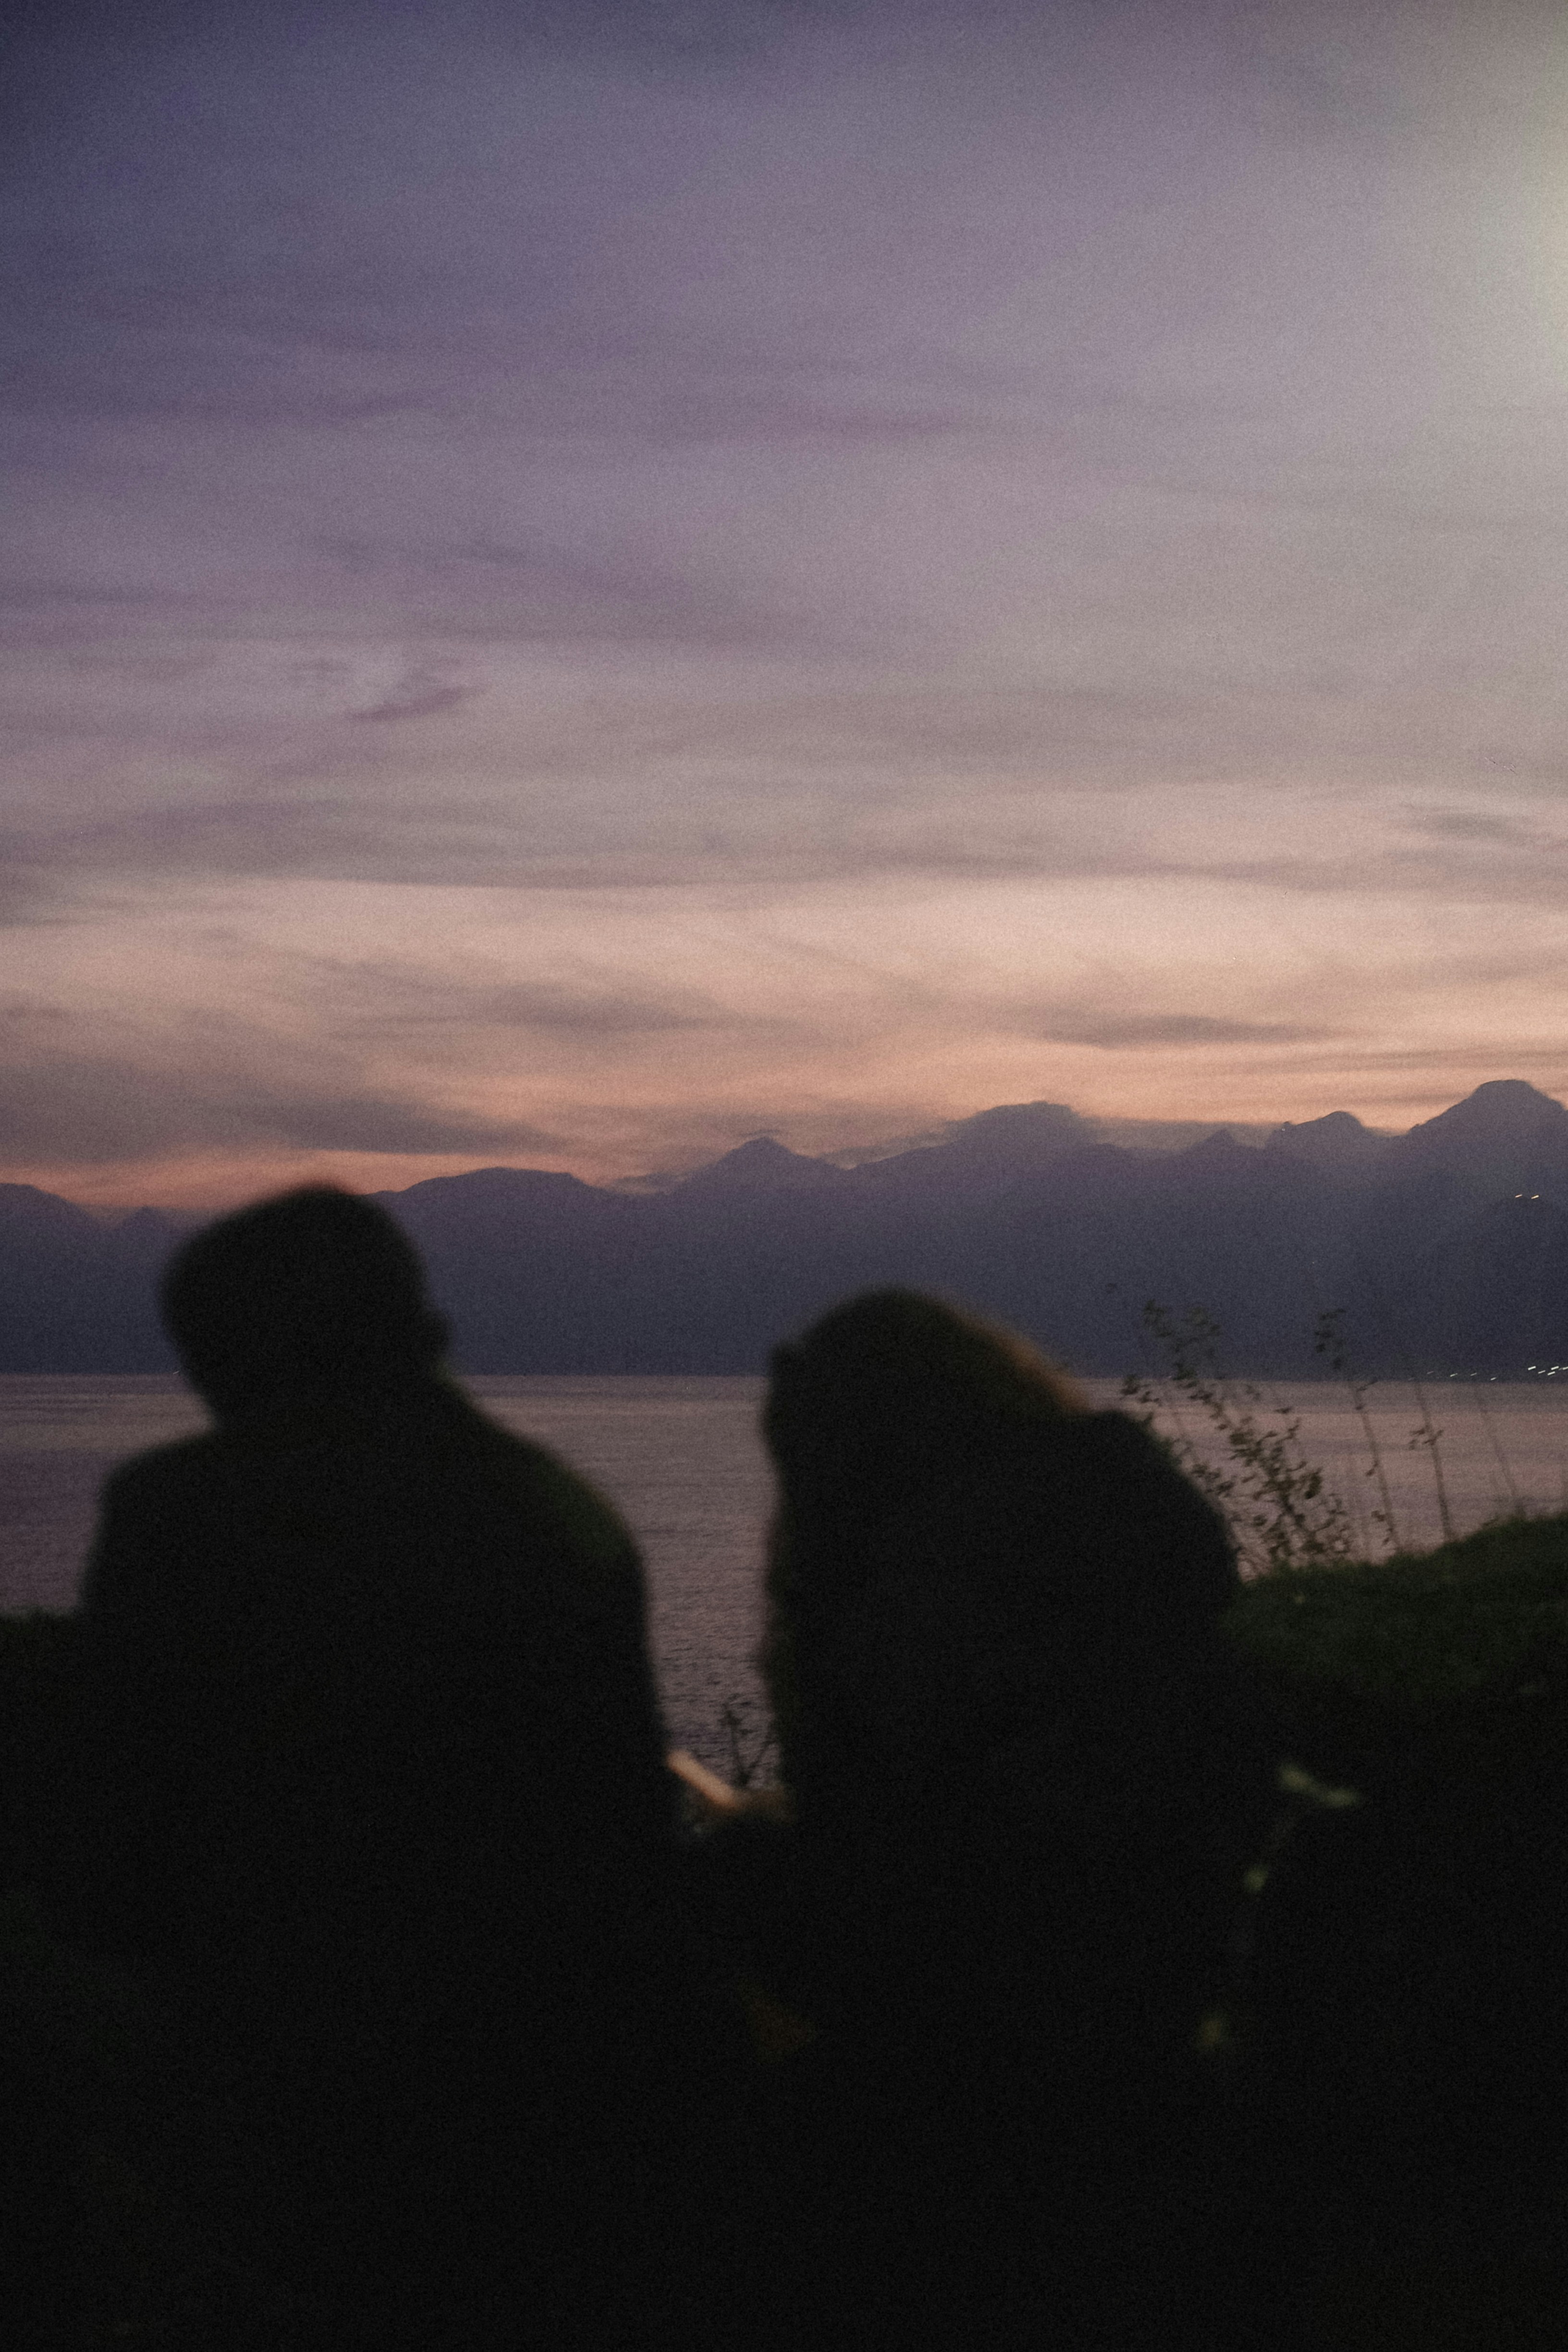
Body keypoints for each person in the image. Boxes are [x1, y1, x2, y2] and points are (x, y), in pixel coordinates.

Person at [63, 1186, 740, 2348]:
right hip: (570, 2102)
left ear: (241, 1348)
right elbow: (626, 1828)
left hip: (292, 2101)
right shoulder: (559, 1511)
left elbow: (118, 1849)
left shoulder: (183, 1509)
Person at [707, 1289, 1276, 2348]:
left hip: (987, 2104)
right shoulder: (1135, 1536)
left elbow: (900, 1893)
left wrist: (739, 1860)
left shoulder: (924, 1600)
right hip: (1168, 2048)